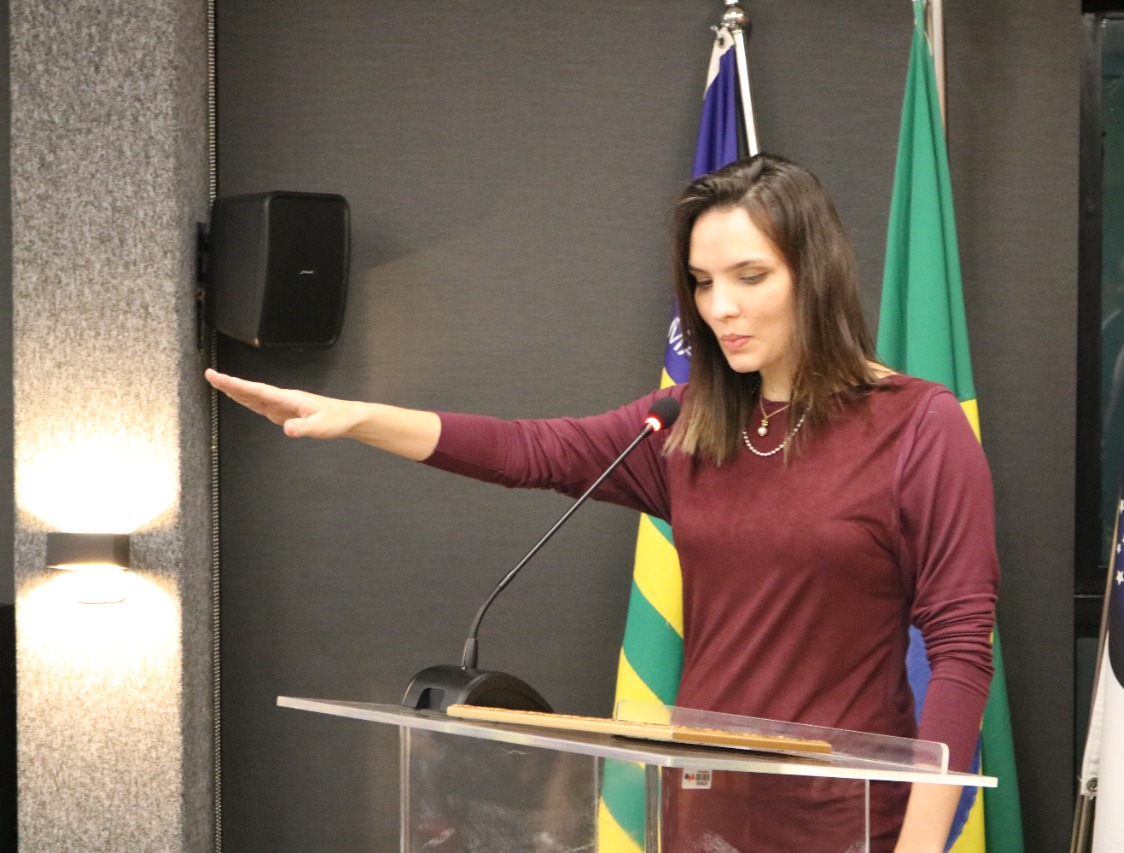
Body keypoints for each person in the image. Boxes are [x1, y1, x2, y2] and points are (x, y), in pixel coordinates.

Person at [207, 154, 999, 853]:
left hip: (847, 825)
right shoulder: (689, 424)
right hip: (702, 821)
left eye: (749, 276)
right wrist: (357, 417)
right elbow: (529, 450)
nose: (720, 307)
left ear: (814, 273)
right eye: (702, 282)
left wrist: (921, 846)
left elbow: (962, 649)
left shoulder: (916, 426)